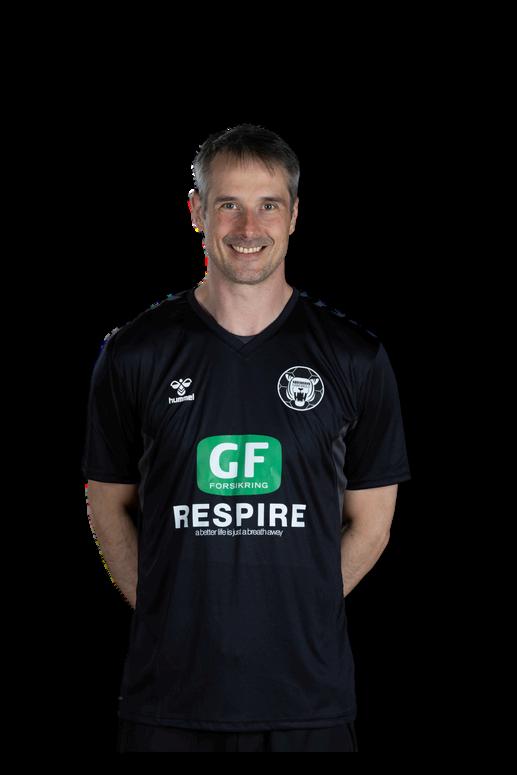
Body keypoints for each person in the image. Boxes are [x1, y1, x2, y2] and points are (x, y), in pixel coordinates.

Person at [82, 123, 412, 753]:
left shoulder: (355, 358)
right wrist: (165, 608)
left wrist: (298, 608)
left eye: (268, 205)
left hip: (306, 703)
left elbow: (372, 524)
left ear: (294, 215)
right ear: (196, 212)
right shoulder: (133, 353)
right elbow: (106, 503)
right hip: (168, 701)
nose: (248, 226)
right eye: (228, 203)